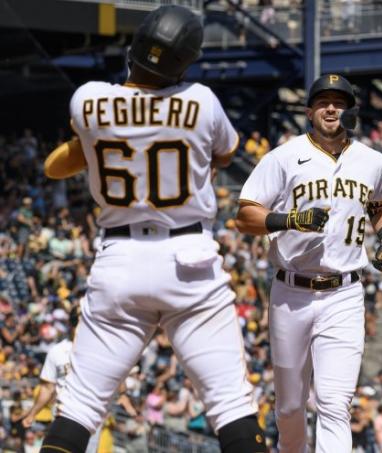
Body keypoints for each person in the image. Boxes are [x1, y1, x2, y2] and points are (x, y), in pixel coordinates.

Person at [39, 5, 265, 453]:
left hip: (119, 261)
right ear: (187, 60)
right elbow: (224, 155)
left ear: (136, 45)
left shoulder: (87, 99)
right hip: (189, 259)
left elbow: (59, 163)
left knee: (80, 406)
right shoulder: (201, 101)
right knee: (231, 405)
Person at [235, 73, 382, 452]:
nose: (331, 108)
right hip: (291, 291)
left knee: (334, 402)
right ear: (309, 111)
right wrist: (288, 220)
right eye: (324, 101)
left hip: (344, 293)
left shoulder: (372, 162)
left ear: (350, 111)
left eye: (339, 102)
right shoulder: (283, 157)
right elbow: (244, 216)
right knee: (290, 406)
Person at [21, 307, 102, 452]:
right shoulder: (57, 351)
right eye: (77, 321)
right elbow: (47, 388)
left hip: (90, 416)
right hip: (62, 413)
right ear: (71, 324)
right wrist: (32, 413)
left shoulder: (99, 350)